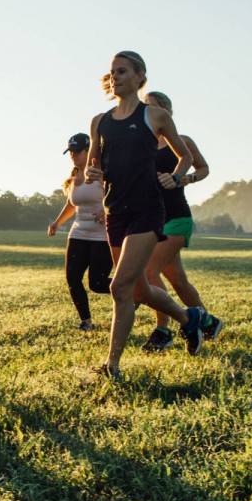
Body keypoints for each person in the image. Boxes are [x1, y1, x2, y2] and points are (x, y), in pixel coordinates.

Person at [85, 51, 219, 379]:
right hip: (114, 209)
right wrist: (92, 173)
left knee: (120, 287)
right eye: (112, 71)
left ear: (139, 77)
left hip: (147, 209)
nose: (115, 76)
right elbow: (94, 164)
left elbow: (185, 157)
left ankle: (112, 365)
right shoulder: (99, 121)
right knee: (140, 289)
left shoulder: (155, 116)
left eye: (123, 71)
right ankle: (190, 320)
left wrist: (175, 176)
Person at [137, 92, 223, 352]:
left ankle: (163, 330)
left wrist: (185, 178)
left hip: (177, 217)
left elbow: (203, 168)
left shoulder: (181, 141)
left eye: (151, 106)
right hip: (154, 218)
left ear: (165, 110)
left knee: (149, 272)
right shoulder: (143, 145)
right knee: (178, 281)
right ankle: (207, 321)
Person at [47, 133, 111, 331]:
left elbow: (119, 194)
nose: (73, 155)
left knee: (98, 283)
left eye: (77, 151)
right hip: (78, 234)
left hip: (102, 236)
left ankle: (134, 289)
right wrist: (57, 223)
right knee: (72, 279)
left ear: (88, 150)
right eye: (70, 152)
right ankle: (86, 322)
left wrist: (106, 210)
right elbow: (71, 204)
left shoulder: (102, 172)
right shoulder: (75, 177)